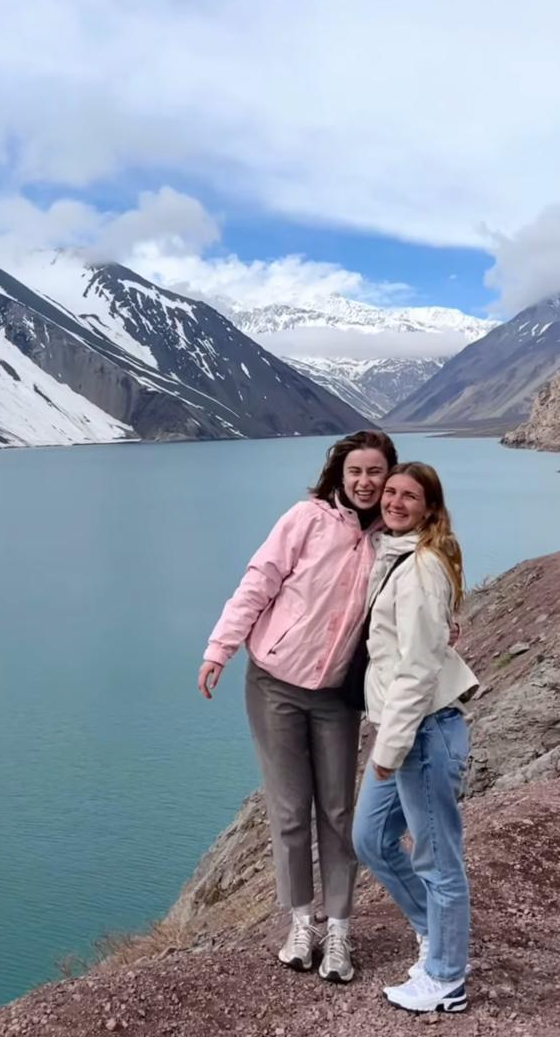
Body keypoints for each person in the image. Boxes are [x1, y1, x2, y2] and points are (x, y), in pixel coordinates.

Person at [197, 430, 398, 985]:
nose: (364, 481)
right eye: (355, 471)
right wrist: (220, 648)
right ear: (340, 474)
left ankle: (340, 931)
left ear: (388, 478)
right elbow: (258, 583)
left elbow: (418, 591)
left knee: (337, 812)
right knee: (289, 811)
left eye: (375, 472)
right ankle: (300, 924)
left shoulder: (392, 540)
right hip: (275, 684)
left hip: (336, 695)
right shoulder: (305, 520)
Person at [352, 462, 478, 1016]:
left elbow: (419, 669)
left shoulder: (421, 567)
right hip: (406, 732)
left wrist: (389, 748)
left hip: (420, 734)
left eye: (410, 496)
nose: (395, 502)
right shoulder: (397, 555)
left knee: (438, 860)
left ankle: (447, 978)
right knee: (370, 839)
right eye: (391, 492)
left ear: (430, 507)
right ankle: (435, 936)